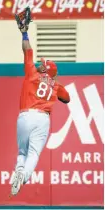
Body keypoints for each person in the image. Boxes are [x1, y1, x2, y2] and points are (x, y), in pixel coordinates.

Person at [11, 21, 70, 196]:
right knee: (34, 154)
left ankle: (18, 172)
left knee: (22, 152)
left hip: (25, 116)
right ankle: (22, 177)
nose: (39, 63)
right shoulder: (56, 85)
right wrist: (55, 84)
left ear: (44, 68)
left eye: (42, 63)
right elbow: (67, 99)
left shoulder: (32, 72)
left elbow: (27, 50)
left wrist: (24, 32)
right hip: (42, 118)